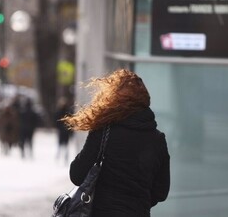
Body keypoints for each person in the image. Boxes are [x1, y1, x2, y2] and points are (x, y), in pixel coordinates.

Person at [61, 69, 170, 217]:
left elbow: (77, 175)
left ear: (113, 99)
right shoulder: (158, 139)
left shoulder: (103, 131)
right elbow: (161, 192)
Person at [54, 98, 74, 163]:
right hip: (66, 131)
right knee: (65, 145)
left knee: (61, 144)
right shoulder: (68, 112)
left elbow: (56, 122)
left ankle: (61, 156)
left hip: (63, 131)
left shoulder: (60, 112)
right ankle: (63, 157)